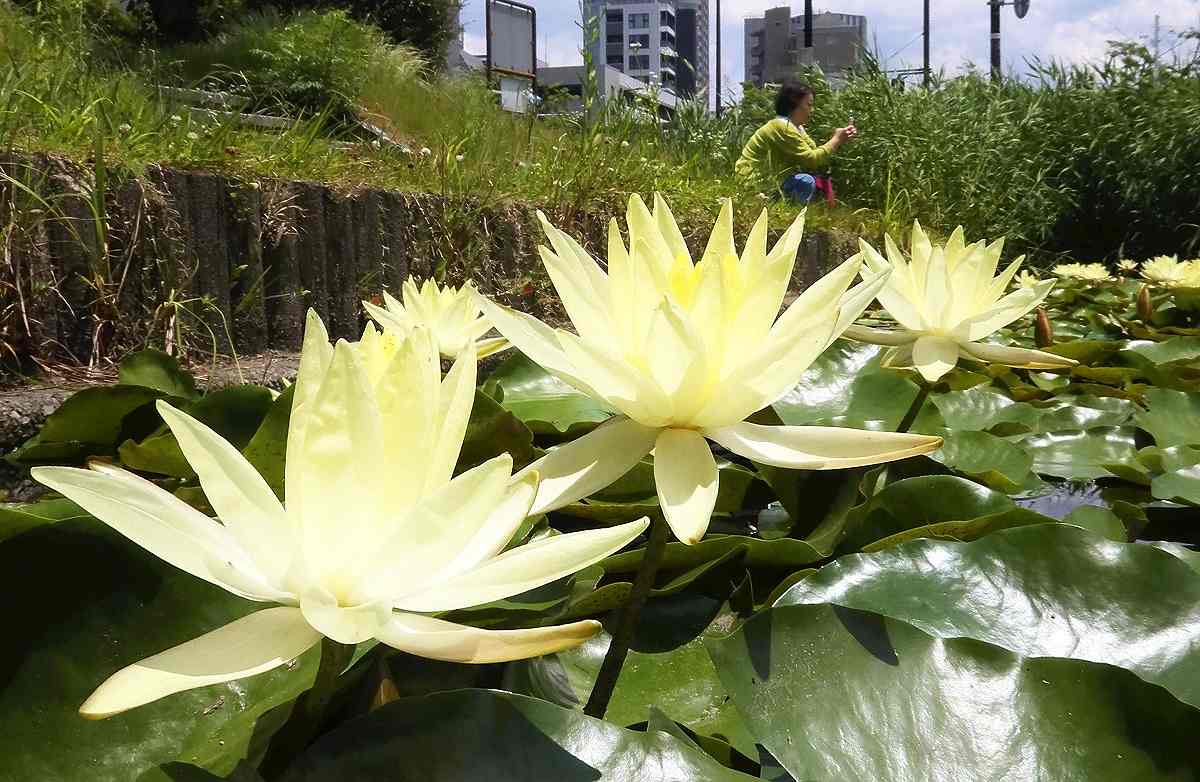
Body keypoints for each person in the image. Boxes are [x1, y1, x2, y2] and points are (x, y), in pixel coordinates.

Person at [735, 81, 857, 204]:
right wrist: (836, 139)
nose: (812, 110)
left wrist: (840, 139)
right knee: (806, 181)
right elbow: (812, 160)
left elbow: (815, 153)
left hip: (771, 182)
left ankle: (781, 205)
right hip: (754, 184)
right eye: (809, 105)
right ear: (794, 103)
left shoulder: (795, 127)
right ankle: (783, 208)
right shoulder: (782, 127)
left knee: (808, 180)